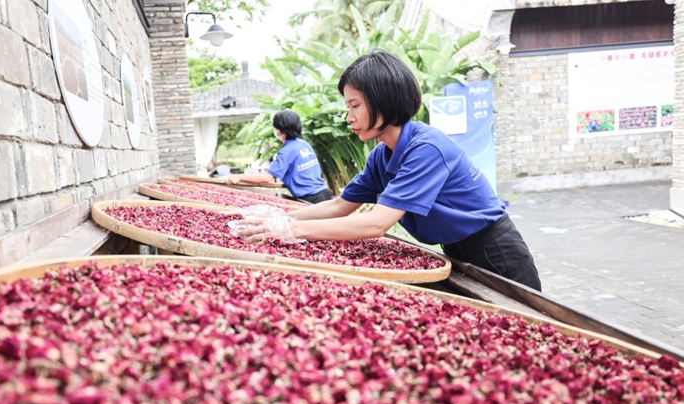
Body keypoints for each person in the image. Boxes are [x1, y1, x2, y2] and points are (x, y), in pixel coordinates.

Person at [235, 50, 542, 291]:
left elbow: (376, 224)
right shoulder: (382, 155)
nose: (348, 117)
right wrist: (276, 217)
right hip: (457, 248)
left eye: (355, 106)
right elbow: (341, 205)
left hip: (495, 250)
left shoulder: (427, 148)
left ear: (383, 101)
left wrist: (293, 231)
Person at [226, 110, 333, 204]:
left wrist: (239, 177)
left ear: (279, 130)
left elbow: (266, 178)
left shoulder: (286, 151)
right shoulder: (304, 144)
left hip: (311, 199)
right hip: (324, 194)